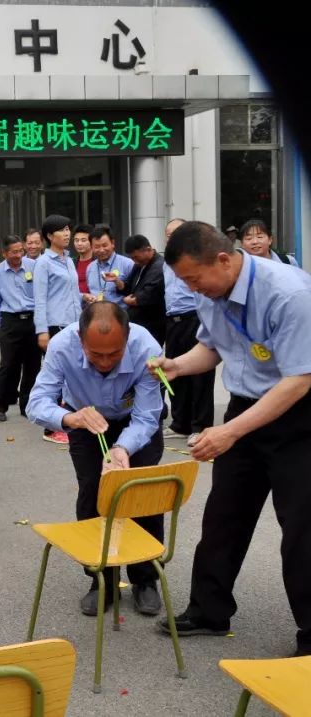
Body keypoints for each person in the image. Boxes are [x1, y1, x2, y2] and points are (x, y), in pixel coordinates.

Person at [153, 221, 311, 658]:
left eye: (193, 279)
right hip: (246, 407)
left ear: (223, 259)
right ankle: (209, 610)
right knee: (224, 515)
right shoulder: (213, 294)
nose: (191, 288)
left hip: (298, 416)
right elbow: (215, 348)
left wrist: (228, 431)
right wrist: (178, 365)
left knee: (302, 528)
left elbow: (298, 380)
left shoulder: (289, 293)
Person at [26, 302, 165, 617]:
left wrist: (123, 448)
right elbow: (36, 404)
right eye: (95, 354)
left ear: (128, 338)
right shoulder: (62, 346)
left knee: (142, 496)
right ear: (80, 338)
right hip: (83, 422)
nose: (105, 363)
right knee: (93, 494)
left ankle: (146, 579)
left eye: (114, 354)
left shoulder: (146, 347)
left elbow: (147, 417)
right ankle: (102, 579)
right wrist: (70, 418)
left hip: (136, 424)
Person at [162, 219, 215, 445]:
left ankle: (200, 425)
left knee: (200, 376)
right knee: (176, 373)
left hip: (195, 318)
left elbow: (202, 295)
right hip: (173, 321)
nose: (171, 237)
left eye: (176, 233)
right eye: (168, 234)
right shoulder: (166, 262)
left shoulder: (197, 259)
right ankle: (180, 423)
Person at [32, 214, 80, 445]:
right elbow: (40, 299)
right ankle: (50, 428)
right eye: (62, 230)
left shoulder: (69, 260)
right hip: (54, 325)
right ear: (50, 236)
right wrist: (42, 331)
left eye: (68, 229)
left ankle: (65, 422)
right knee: (55, 377)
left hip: (73, 325)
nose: (67, 233)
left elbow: (69, 293)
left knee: (71, 375)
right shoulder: (44, 262)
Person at [0, 235, 41, 423]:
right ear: (4, 253)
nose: (19, 255)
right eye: (14, 252)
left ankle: (27, 405)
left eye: (21, 250)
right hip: (10, 320)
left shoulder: (34, 266)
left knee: (33, 365)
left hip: (33, 319)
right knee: (8, 365)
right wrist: (2, 322)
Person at [120, 234, 167, 346]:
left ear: (148, 250)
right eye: (131, 258)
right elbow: (129, 287)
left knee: (152, 357)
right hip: (137, 322)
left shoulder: (159, 266)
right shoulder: (139, 265)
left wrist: (129, 300)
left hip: (152, 324)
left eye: (136, 257)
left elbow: (146, 295)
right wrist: (117, 282)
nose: (134, 261)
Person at [85, 225, 136, 307]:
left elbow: (134, 292)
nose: (101, 250)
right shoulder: (90, 268)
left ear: (112, 243)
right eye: (97, 247)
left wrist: (117, 281)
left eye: (105, 245)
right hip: (97, 314)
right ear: (91, 247)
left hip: (120, 315)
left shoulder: (128, 264)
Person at [72, 224, 94, 296]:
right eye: (76, 240)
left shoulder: (98, 261)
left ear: (92, 241)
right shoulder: (71, 262)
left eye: (83, 240)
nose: (79, 244)